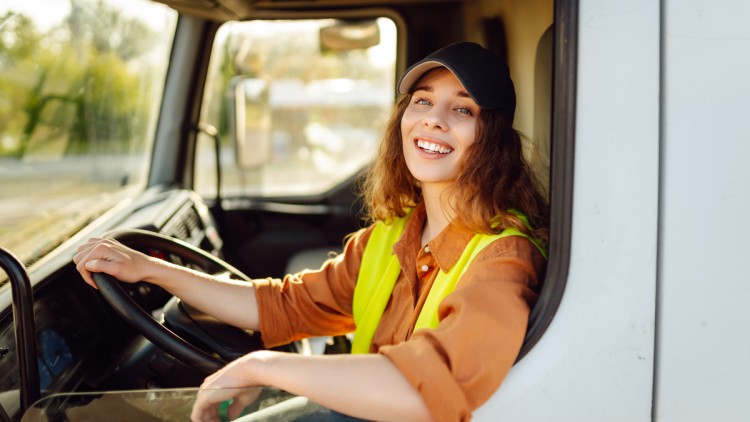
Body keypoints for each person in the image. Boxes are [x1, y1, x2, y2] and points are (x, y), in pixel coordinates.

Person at [74, 41, 549, 422]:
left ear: (494, 139)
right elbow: (281, 305)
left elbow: (430, 392)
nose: (432, 118)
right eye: (422, 101)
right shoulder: (392, 237)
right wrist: (149, 269)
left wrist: (265, 366)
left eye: (462, 110)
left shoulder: (503, 261)